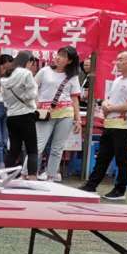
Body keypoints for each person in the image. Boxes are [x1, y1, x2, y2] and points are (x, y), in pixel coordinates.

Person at [83, 49, 127, 200]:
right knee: (102, 157)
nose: (117, 62)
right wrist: (105, 104)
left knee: (121, 159)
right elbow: (108, 98)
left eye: (121, 59)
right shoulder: (117, 80)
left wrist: (110, 108)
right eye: (117, 59)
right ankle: (91, 185)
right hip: (110, 123)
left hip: (124, 125)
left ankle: (120, 190)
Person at [34, 46, 82, 182]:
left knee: (57, 148)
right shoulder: (44, 71)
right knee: (38, 145)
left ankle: (51, 176)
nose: (58, 57)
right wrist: (36, 103)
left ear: (70, 61)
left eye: (63, 56)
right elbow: (32, 88)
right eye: (58, 54)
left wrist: (78, 120)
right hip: (45, 113)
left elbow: (74, 99)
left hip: (66, 113)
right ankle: (28, 172)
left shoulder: (73, 77)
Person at [0, 49, 40, 174]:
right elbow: (32, 94)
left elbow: (4, 99)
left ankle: (5, 175)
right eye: (32, 63)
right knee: (32, 150)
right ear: (28, 62)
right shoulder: (26, 74)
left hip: (11, 116)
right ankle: (32, 177)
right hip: (26, 115)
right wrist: (26, 97)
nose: (31, 66)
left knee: (14, 150)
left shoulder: (6, 76)